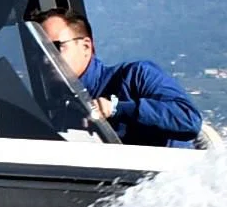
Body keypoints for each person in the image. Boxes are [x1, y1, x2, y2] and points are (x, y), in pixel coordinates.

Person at [35, 9, 208, 147]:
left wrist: (117, 108)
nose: (46, 59)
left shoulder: (136, 75)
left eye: (55, 48)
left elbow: (188, 120)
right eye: (40, 51)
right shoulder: (56, 110)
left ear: (86, 46)